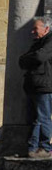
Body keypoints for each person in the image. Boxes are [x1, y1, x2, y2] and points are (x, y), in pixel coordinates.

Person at [21, 15, 52, 158]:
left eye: (35, 29)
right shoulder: (37, 43)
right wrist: (32, 57)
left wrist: (30, 58)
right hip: (33, 86)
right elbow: (21, 60)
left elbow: (40, 57)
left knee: (42, 118)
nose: (32, 32)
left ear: (46, 28)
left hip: (44, 86)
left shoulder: (50, 41)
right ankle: (33, 148)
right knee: (34, 118)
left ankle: (44, 148)